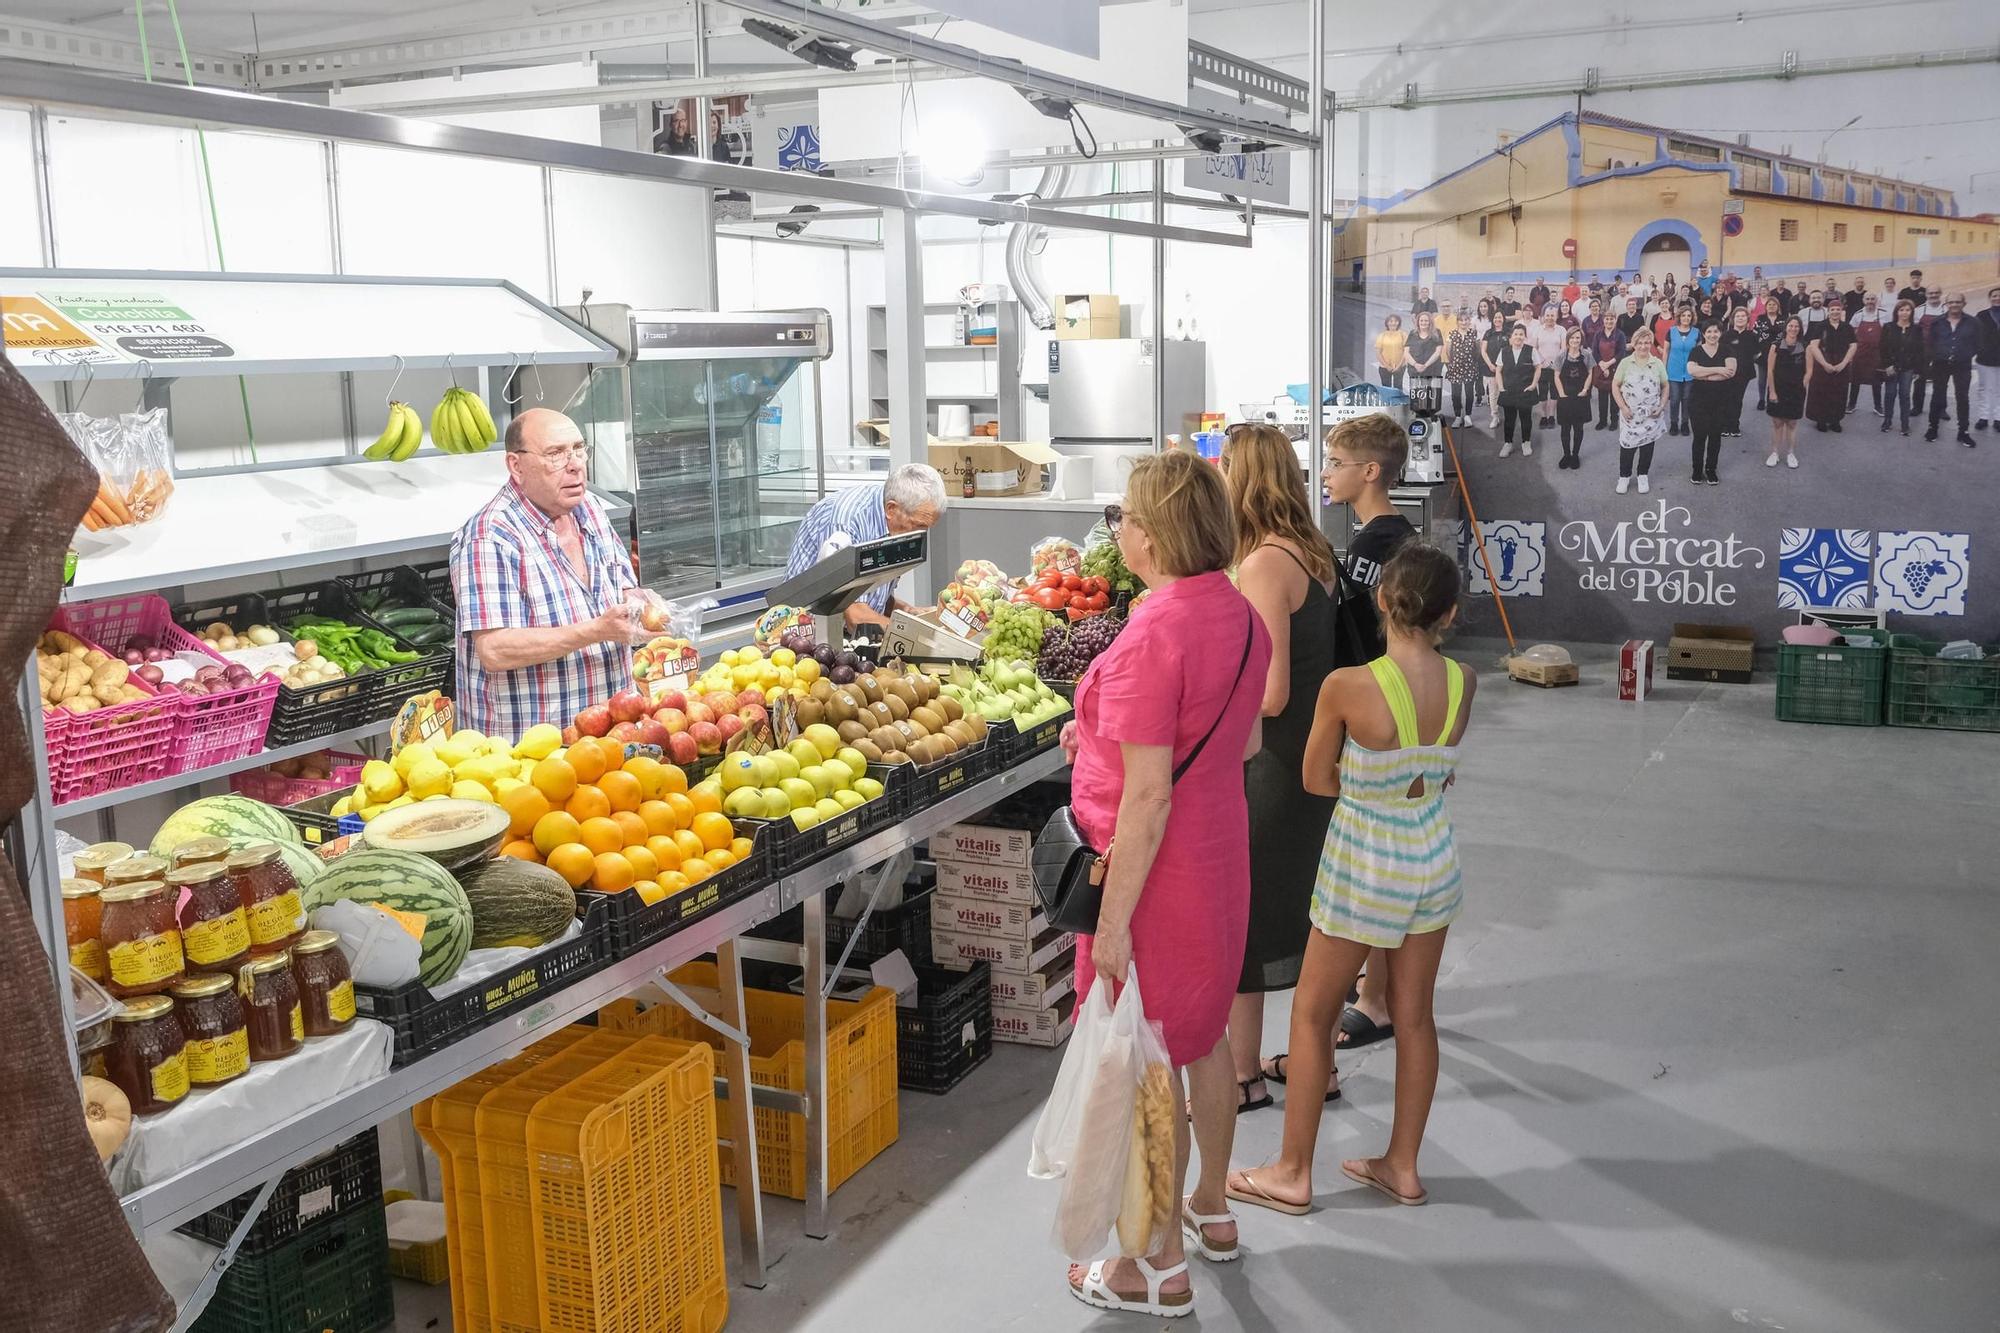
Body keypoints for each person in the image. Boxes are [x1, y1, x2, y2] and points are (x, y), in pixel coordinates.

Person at [1061, 452, 1271, 1318]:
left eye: (1125, 519)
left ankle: (1153, 1263)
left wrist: (1112, 922)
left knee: (1144, 1061)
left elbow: (1147, 797)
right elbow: (1242, 747)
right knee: (1203, 1036)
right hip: (1219, 859)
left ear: (1150, 532)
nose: (1120, 532)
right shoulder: (1241, 613)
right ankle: (1212, 1210)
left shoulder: (1154, 630)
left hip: (1154, 877)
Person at [1224, 543, 1477, 1218]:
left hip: (1364, 861)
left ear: (1382, 601)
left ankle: (1291, 1170)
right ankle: (1401, 1164)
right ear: (1449, 612)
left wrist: (1362, 786)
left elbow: (1315, 778)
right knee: (1417, 1015)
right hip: (1432, 855)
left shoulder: (1348, 686)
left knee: (1311, 1014)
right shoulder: (1464, 680)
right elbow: (1434, 768)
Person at [1219, 426, 1341, 1120]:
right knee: (1301, 912)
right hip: (1313, 757)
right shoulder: (1314, 549)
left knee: (1250, 917)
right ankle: (1308, 1063)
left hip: (1272, 760)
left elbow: (1269, 691)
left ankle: (1241, 1074)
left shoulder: (1265, 561)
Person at [451, 408, 646, 737]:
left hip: (611, 737)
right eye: (556, 453)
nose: (575, 464)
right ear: (517, 466)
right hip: (532, 755)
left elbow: (623, 588)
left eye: (579, 449)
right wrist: (597, 630)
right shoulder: (490, 536)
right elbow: (495, 649)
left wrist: (645, 608)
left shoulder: (590, 510)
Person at [783, 464, 946, 627]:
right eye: (918, 525)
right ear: (891, 509)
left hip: (848, 633)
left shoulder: (891, 517)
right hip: (807, 633)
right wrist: (911, 631)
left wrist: (909, 612)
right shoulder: (846, 523)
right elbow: (855, 616)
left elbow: (873, 596)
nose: (921, 534)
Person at [1612, 326, 1668, 494]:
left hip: (1651, 417)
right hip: (1630, 416)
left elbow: (1665, 386)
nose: (1644, 346)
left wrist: (1661, 405)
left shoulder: (1657, 363)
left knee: (1647, 448)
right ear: (1634, 344)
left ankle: (1643, 475)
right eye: (1640, 343)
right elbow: (1615, 385)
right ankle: (1624, 477)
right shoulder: (1625, 362)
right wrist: (1622, 407)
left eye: (1647, 342)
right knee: (1627, 448)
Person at [1924, 293, 1980, 447]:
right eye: (1951, 302)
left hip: (1962, 364)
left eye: (1957, 302)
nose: (1954, 305)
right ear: (1946, 304)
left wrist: (1966, 354)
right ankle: (1932, 428)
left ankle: (1963, 432)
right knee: (1937, 396)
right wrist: (1936, 357)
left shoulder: (1973, 322)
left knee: (1962, 397)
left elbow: (1977, 343)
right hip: (1941, 364)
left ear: (1964, 303)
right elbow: (1930, 343)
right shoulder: (1937, 322)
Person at [1686, 323, 1737, 487]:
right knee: (1699, 436)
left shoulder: (1727, 350)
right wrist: (1717, 369)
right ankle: (1697, 469)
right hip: (1698, 401)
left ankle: (1711, 469)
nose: (1712, 334)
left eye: (1715, 331)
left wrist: (1704, 374)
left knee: (1715, 437)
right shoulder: (1696, 351)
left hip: (1721, 401)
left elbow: (1730, 372)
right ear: (1704, 334)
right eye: (1709, 331)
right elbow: (1692, 371)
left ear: (1720, 333)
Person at [1806, 302, 1855, 434]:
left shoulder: (1847, 327)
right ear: (1828, 311)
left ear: (1841, 311)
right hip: (1824, 360)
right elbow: (1813, 346)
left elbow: (1853, 346)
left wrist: (1844, 363)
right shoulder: (1820, 326)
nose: (1835, 312)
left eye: (1837, 309)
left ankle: (1835, 420)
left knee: (1839, 392)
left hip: (1841, 362)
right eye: (1832, 309)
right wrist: (1824, 364)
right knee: (1822, 391)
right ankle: (1821, 420)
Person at [1766, 316, 1809, 467]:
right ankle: (1775, 452)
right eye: (1790, 326)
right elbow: (1770, 370)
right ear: (1786, 327)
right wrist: (1772, 391)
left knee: (1791, 423)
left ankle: (1791, 453)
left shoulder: (1805, 346)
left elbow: (1809, 370)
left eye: (1796, 326)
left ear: (1800, 329)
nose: (1793, 329)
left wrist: (1803, 384)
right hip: (1778, 388)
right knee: (1777, 423)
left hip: (1796, 390)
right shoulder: (1776, 346)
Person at [1494, 322, 1541, 457]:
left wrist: (1533, 384)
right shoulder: (1504, 351)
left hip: (1525, 390)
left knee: (1526, 418)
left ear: (1525, 336)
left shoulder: (1531, 350)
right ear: (1511, 336)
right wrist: (1501, 387)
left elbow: (1538, 368)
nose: (1518, 337)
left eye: (1521, 334)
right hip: (1508, 391)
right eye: (1516, 334)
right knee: (1509, 419)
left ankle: (1526, 442)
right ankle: (1508, 444)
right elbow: (1498, 370)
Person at [1552, 326, 1594, 470]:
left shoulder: (1587, 355)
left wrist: (1585, 390)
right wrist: (1561, 393)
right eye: (1572, 338)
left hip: (1581, 395)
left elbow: (1590, 373)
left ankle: (1575, 455)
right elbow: (1556, 376)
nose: (1575, 340)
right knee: (1565, 428)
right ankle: (1566, 455)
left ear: (1581, 340)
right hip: (1565, 395)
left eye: (1578, 338)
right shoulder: (1561, 356)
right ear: (1568, 340)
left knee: (1578, 427)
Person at [1879, 299, 1923, 436]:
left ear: (1912, 312)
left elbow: (1919, 350)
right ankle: (1887, 421)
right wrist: (1887, 365)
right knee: (1890, 394)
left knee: (1904, 395)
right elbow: (1883, 348)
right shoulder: (1888, 327)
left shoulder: (1916, 329)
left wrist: (1917, 369)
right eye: (1901, 310)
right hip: (1892, 367)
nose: (1904, 313)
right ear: (1897, 312)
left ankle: (1905, 424)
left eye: (1907, 310)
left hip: (1908, 367)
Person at [1720, 306, 1760, 438]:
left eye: (1743, 316)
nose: (1740, 318)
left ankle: (1734, 425)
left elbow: (1756, 354)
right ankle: (1725, 425)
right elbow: (1720, 354)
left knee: (1737, 399)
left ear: (1748, 319)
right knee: (1726, 398)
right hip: (1727, 373)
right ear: (1733, 319)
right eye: (1738, 316)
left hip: (1744, 373)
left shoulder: (1752, 336)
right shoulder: (1725, 336)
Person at [1445, 304, 1484, 427]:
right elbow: (1448, 351)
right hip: (1455, 368)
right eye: (1461, 320)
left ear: (1469, 321)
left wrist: (1472, 361)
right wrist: (1454, 362)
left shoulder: (1474, 334)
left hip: (1470, 368)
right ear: (1457, 322)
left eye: (1466, 320)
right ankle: (1457, 416)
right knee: (1455, 394)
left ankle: (1467, 415)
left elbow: (1478, 350)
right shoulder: (1452, 334)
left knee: (1469, 393)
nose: (1464, 322)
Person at [1848, 291, 1887, 416]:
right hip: (1860, 353)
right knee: (1855, 380)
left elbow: (1889, 333)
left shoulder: (1884, 314)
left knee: (1876, 381)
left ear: (1876, 300)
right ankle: (1851, 404)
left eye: (1872, 299)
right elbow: (1851, 333)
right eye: (1868, 299)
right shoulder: (1858, 315)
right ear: (1863, 301)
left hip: (1877, 353)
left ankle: (1878, 406)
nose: (1870, 301)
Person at [1402, 310, 1444, 417]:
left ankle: (1429, 417)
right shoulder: (1412, 333)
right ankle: (1418, 417)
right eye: (1421, 320)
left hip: (1431, 369)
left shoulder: (1436, 333)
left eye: (1426, 320)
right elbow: (1406, 352)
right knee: (1416, 396)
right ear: (1418, 322)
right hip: (1414, 370)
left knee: (1430, 395)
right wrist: (1416, 364)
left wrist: (1425, 365)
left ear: (1430, 322)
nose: (1424, 322)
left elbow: (1438, 352)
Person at [1665, 305, 1700, 436]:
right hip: (1673, 371)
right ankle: (1674, 423)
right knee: (1674, 399)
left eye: (1689, 316)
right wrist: (1663, 370)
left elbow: (1699, 352)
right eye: (1683, 315)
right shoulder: (1671, 331)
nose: (1686, 318)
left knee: (1687, 399)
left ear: (1692, 318)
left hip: (1690, 372)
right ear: (1679, 317)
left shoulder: (1696, 332)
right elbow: (1666, 351)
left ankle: (1685, 423)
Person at [1529, 307, 1566, 427]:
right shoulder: (1538, 330)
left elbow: (1564, 348)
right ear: (1544, 316)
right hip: (1542, 366)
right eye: (1548, 315)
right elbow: (1534, 348)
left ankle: (1551, 416)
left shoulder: (1561, 330)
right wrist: (1542, 361)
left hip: (1556, 367)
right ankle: (1543, 416)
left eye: (1552, 315)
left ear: (1556, 316)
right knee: (1543, 393)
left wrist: (1555, 362)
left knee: (1554, 393)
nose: (1550, 318)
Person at [1590, 316, 1626, 432]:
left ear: (1615, 320)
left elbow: (1621, 352)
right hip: (1601, 368)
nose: (1609, 321)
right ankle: (1602, 421)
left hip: (1615, 367)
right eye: (1607, 319)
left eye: (1611, 319)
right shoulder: (1598, 334)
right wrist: (1602, 365)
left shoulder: (1620, 335)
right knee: (1602, 397)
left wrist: (1609, 364)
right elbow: (1594, 350)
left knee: (1614, 396)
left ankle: (1614, 421)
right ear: (1603, 321)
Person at [1480, 306, 1512, 430]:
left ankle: (1509, 416)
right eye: (1495, 317)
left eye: (1500, 317)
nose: (1497, 319)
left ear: (1503, 319)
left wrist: (1504, 365)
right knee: (1493, 394)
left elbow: (1511, 350)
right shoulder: (1488, 333)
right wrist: (1490, 364)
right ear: (1493, 319)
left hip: (1505, 369)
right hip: (1491, 368)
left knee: (1506, 392)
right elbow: (1483, 351)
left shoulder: (1509, 332)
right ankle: (1495, 417)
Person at [1975, 286, 2000, 430]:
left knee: (1999, 389)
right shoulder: (1982, 315)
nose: (1997, 298)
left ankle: (1998, 418)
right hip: (1985, 358)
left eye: (1999, 295)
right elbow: (1975, 335)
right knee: (1984, 388)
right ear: (1990, 298)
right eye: (1994, 296)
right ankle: (1983, 417)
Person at [1375, 314, 1408, 388]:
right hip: (1384, 367)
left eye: (1396, 321)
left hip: (1400, 367)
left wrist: (1399, 366)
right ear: (1387, 323)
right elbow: (1378, 353)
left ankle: (1398, 400)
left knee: (1398, 387)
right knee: (1386, 388)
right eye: (1391, 321)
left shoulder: (1403, 334)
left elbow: (1406, 352)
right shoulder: (1381, 335)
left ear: (1399, 323)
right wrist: (1387, 366)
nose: (1393, 323)